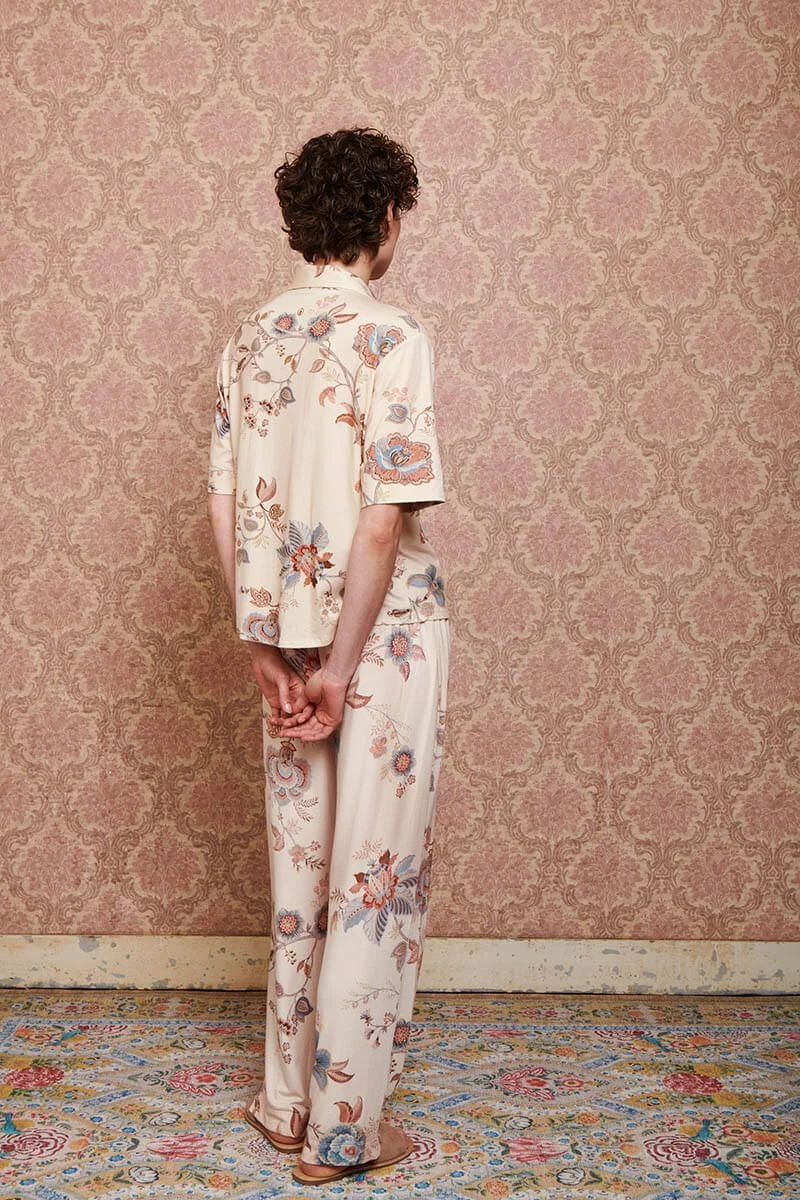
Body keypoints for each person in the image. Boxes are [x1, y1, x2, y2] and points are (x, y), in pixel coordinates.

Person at [206, 128, 450, 1185]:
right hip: (380, 634)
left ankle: (283, 1102)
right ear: (386, 219)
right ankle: (345, 1129)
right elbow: (383, 521)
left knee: (298, 869)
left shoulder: (250, 336)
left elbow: (223, 503)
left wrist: (261, 644)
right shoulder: (392, 335)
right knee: (372, 872)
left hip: (285, 629)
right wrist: (344, 669)